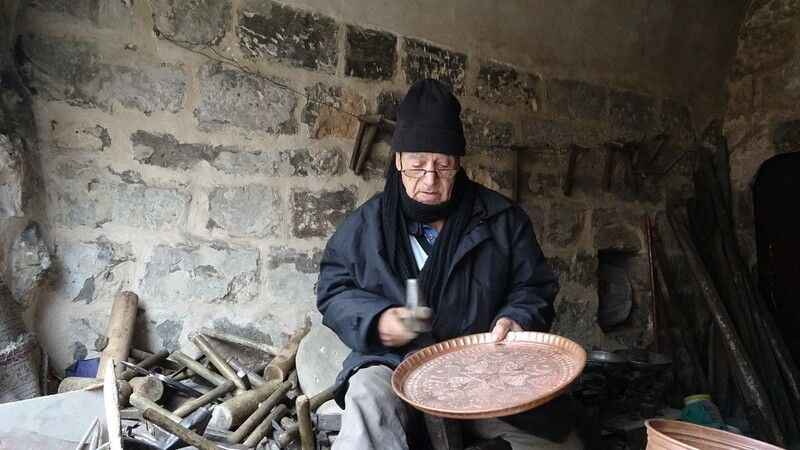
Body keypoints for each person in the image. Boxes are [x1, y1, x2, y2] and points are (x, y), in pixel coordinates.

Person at [317, 79, 581, 450]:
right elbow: (334, 290)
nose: (430, 179)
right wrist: (378, 320)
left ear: (459, 164)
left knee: (557, 439)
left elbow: (533, 287)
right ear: (397, 161)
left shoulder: (501, 220)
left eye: (443, 166)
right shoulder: (365, 226)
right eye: (417, 166)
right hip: (396, 363)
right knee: (366, 398)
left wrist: (516, 320)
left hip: (483, 365)